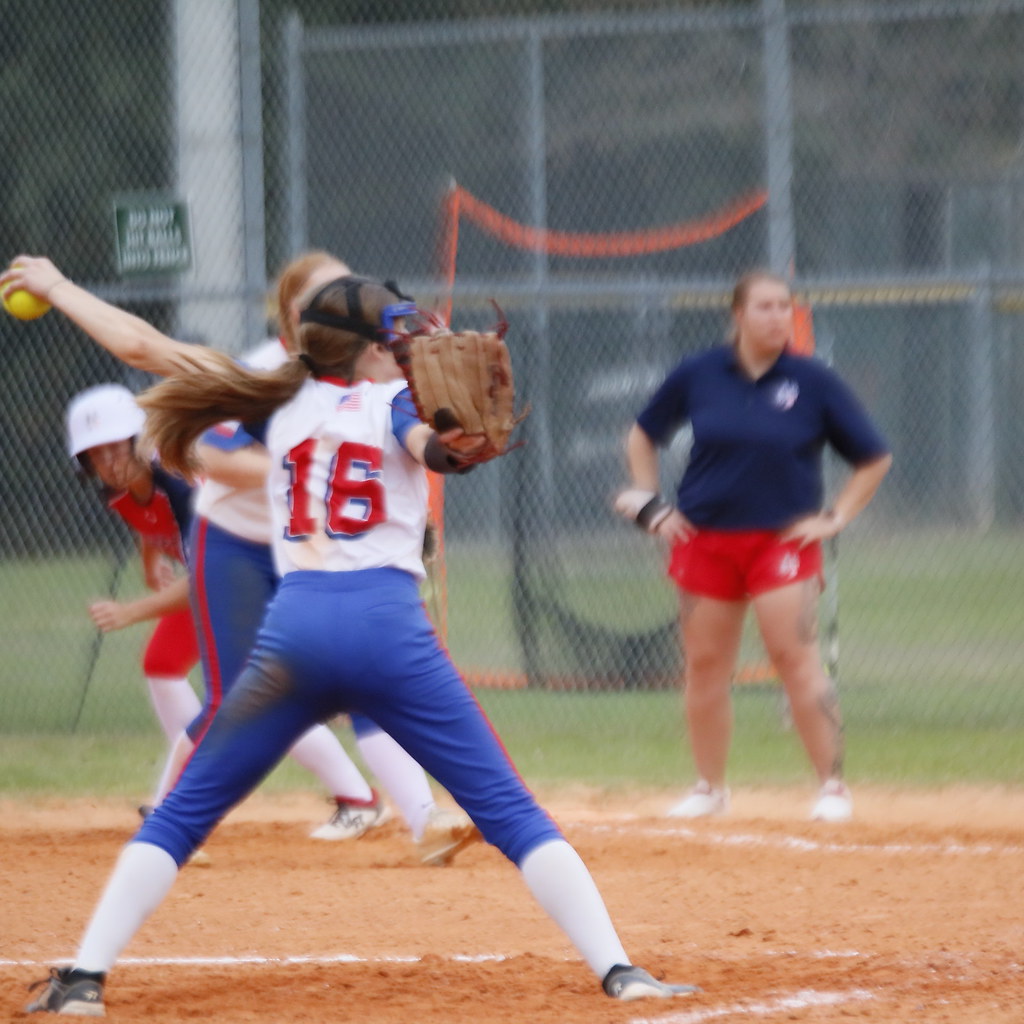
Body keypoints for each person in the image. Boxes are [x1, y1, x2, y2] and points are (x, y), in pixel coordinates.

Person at [21, 272, 698, 1015]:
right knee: (509, 810)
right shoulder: (394, 401)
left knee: (183, 814)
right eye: (397, 336)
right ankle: (621, 974)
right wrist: (454, 453)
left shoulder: (270, 399)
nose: (409, 348)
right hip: (388, 634)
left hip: (295, 636)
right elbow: (432, 451)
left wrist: (56, 286)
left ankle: (83, 981)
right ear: (375, 349)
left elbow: (142, 345)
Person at [2, 253, 479, 862]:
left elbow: (411, 449)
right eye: (332, 293)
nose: (353, 297)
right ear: (296, 320)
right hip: (237, 544)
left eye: (351, 287)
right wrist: (61, 285)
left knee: (368, 677)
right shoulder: (264, 378)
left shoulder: (381, 373)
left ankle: (425, 819)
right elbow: (171, 386)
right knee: (237, 698)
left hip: (311, 550)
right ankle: (170, 820)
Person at [616, 270, 892, 823]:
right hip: (704, 539)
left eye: (784, 306)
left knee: (795, 659)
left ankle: (832, 787)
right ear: (737, 315)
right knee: (706, 664)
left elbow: (873, 456)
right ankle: (710, 789)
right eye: (764, 306)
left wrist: (835, 517)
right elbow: (643, 434)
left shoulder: (812, 381)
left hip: (779, 543)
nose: (777, 316)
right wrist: (651, 503)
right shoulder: (699, 373)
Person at [65, 383, 202, 776]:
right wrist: (150, 559)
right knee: (162, 663)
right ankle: (189, 784)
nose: (107, 462)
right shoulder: (118, 492)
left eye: (115, 446)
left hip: (257, 583)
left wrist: (129, 612)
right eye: (95, 453)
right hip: (221, 586)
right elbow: (150, 522)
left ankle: (357, 797)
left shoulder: (181, 484)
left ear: (139, 440)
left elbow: (203, 582)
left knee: (264, 695)